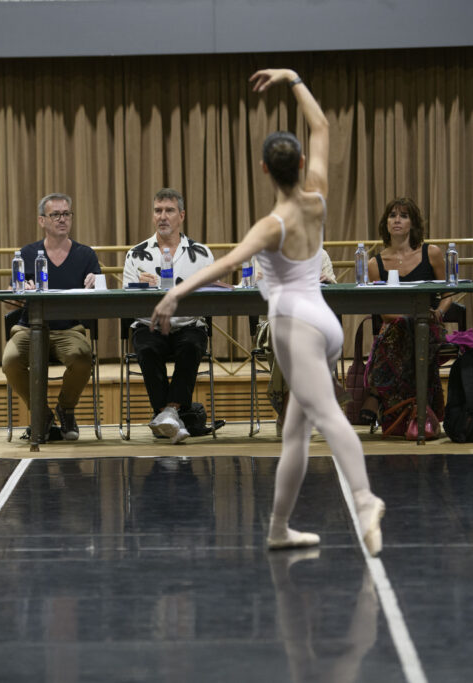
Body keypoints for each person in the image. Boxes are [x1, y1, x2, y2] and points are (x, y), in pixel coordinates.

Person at [151, 68, 385, 555]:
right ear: (300, 162)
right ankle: (279, 529)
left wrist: (174, 295)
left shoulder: (271, 224)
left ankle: (364, 500)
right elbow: (321, 126)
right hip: (325, 323)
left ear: (263, 170)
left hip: (294, 326)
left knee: (324, 416)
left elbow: (229, 263)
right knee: (295, 433)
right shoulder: (316, 194)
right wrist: (294, 80)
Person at [2, 193, 101, 441]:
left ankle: (65, 409)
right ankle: (42, 414)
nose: (62, 219)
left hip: (69, 329)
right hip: (30, 328)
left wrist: (95, 283)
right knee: (10, 361)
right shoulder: (26, 254)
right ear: (42, 221)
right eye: (55, 215)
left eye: (66, 214)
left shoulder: (85, 255)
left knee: (82, 358)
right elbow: (11, 301)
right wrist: (20, 293)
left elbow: (100, 294)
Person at [123, 188, 215, 445]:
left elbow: (211, 296)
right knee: (148, 348)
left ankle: (167, 413)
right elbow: (126, 300)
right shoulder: (136, 254)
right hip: (149, 323)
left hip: (188, 323)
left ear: (181, 215)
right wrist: (140, 287)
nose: (163, 216)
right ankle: (172, 415)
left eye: (169, 211)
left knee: (191, 345)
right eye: (158, 211)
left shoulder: (202, 254)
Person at [360, 198, 451, 430]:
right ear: (386, 223)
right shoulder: (374, 263)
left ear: (413, 223)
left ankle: (378, 396)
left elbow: (448, 295)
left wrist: (438, 314)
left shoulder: (432, 253)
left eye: (404, 215)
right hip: (394, 325)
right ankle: (408, 413)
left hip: (428, 324)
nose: (397, 220)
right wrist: (403, 318)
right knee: (401, 328)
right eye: (392, 215)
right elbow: (381, 310)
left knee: (414, 330)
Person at [254, 250, 336, 435]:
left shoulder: (320, 255)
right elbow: (259, 292)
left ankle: (286, 413)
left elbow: (334, 292)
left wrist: (328, 282)